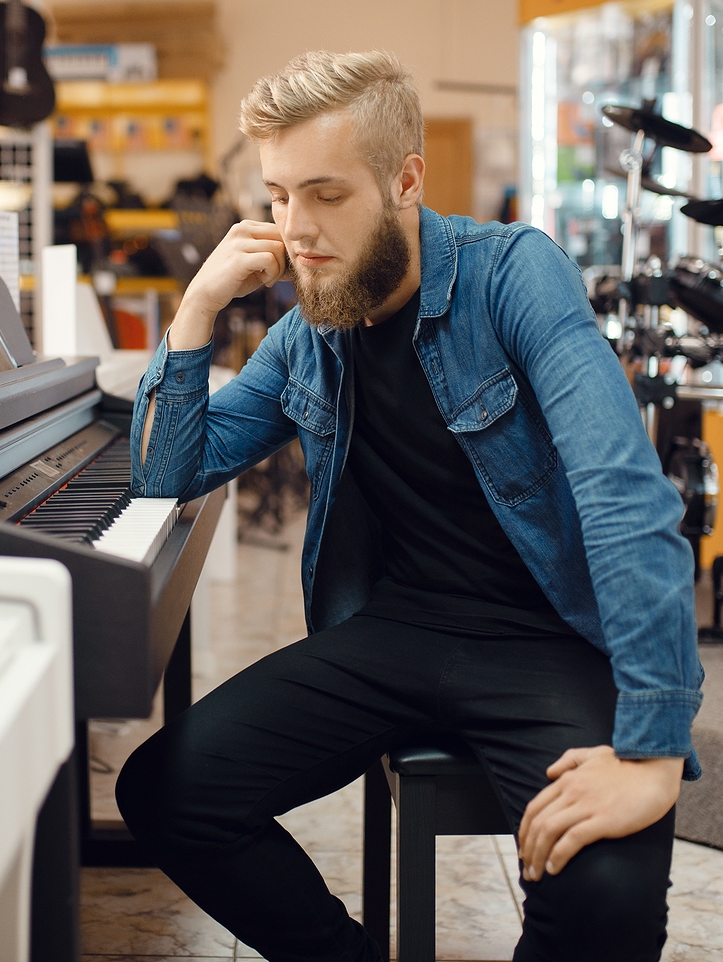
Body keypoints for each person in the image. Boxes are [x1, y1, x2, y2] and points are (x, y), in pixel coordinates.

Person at [115, 51, 704, 962]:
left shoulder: (513, 275)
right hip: (391, 635)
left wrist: (655, 749)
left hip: (543, 638)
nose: (297, 230)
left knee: (607, 902)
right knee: (164, 791)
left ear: (405, 180)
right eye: (277, 196)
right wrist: (194, 312)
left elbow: (623, 491)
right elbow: (165, 476)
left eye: (326, 194)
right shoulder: (307, 331)